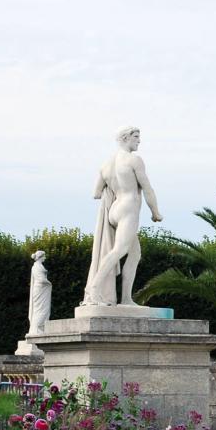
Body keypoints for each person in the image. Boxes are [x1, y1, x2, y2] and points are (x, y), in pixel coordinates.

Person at [82, 126, 163, 306]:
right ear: (125, 138)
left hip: (115, 209)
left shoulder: (106, 165)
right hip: (129, 209)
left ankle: (126, 298)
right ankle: (94, 289)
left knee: (134, 254)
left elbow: (96, 193)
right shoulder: (134, 160)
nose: (139, 141)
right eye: (136, 137)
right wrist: (155, 212)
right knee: (119, 250)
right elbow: (148, 189)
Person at [27, 250, 51, 333]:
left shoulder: (38, 266)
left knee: (42, 309)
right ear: (41, 257)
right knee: (40, 309)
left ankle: (39, 328)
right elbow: (41, 279)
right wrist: (49, 283)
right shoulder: (36, 267)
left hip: (41, 290)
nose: (45, 257)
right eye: (44, 256)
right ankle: (37, 329)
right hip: (40, 290)